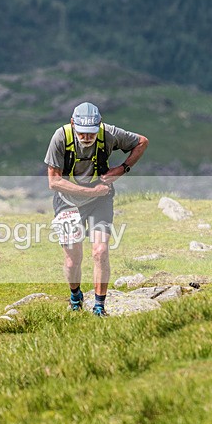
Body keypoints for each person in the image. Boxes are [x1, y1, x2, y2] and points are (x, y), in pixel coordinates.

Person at [44, 102, 148, 316]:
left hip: (101, 201)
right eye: (82, 133)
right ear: (73, 124)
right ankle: (75, 296)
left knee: (100, 251)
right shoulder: (60, 137)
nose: (87, 138)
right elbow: (53, 182)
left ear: (99, 126)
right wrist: (91, 192)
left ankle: (99, 307)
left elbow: (142, 142)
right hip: (68, 202)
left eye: (91, 133)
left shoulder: (108, 133)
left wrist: (121, 169)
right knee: (73, 259)